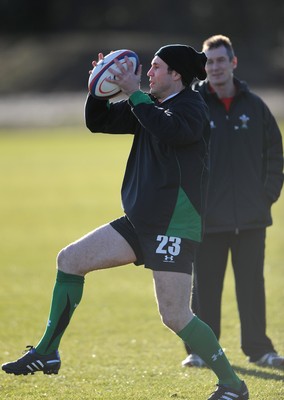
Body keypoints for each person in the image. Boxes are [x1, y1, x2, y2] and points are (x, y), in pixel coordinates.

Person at [2, 43, 249, 400]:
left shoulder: (193, 107)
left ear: (176, 74)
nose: (147, 73)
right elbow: (97, 121)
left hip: (174, 224)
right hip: (141, 220)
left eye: (156, 67)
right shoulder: (149, 105)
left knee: (175, 315)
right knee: (70, 260)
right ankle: (46, 353)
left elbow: (172, 131)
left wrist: (135, 94)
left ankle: (232, 385)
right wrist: (97, 88)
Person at [182, 35, 284, 369]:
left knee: (252, 288)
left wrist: (267, 195)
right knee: (206, 290)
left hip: (252, 219)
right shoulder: (193, 105)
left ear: (233, 63)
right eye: (209, 62)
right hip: (208, 218)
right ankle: (201, 351)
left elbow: (275, 155)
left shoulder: (255, 106)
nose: (215, 67)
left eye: (220, 60)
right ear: (204, 67)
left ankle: (259, 349)